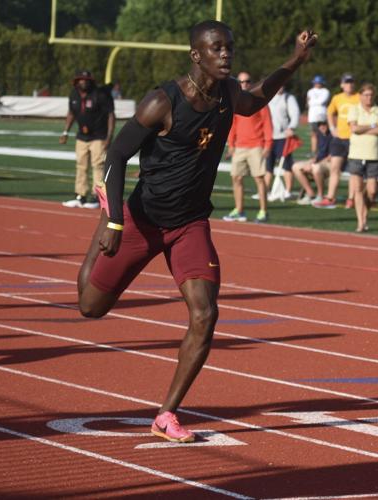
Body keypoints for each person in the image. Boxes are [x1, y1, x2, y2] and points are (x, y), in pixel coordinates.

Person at [75, 20, 317, 443]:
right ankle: (102, 212)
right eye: (217, 48)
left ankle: (166, 414)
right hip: (142, 218)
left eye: (230, 48)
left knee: (205, 314)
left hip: (190, 224)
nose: (227, 55)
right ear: (196, 55)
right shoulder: (162, 102)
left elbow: (255, 99)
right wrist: (113, 219)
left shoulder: (226, 93)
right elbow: (117, 152)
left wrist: (295, 61)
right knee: (90, 308)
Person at [60, 70, 116, 209]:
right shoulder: (74, 94)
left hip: (99, 136)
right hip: (82, 136)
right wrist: (65, 131)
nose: (83, 82)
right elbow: (71, 113)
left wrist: (109, 137)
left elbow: (111, 115)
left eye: (86, 79)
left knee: (97, 166)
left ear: (91, 81)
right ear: (76, 81)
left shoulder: (100, 94)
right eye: (81, 79)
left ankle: (97, 196)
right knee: (81, 165)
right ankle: (80, 195)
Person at [223, 71, 272, 223]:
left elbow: (267, 124)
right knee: (236, 177)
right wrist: (231, 145)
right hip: (239, 147)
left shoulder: (258, 101)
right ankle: (239, 210)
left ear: (251, 83)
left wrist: (268, 145)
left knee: (259, 179)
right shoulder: (236, 101)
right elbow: (232, 125)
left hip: (256, 145)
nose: (244, 84)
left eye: (247, 81)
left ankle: (263, 211)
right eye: (241, 82)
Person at [313, 73, 359, 209]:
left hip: (354, 139)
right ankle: (330, 197)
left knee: (353, 170)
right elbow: (329, 113)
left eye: (351, 82)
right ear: (342, 85)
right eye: (347, 82)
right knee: (335, 168)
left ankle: (351, 198)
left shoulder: (358, 98)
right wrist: (332, 128)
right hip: (339, 139)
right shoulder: (337, 98)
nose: (349, 85)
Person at [346, 83, 378, 233]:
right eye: (365, 95)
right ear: (360, 96)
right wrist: (371, 126)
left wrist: (363, 128)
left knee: (372, 191)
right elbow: (354, 129)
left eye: (371, 95)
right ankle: (361, 221)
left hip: (374, 155)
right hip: (356, 154)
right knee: (357, 189)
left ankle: (365, 213)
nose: (368, 98)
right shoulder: (354, 109)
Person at [266, 85, 300, 199]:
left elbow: (295, 114)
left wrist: (291, 127)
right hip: (269, 137)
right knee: (267, 166)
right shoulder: (268, 97)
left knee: (286, 165)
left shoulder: (288, 98)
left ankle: (288, 191)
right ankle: (265, 191)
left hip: (283, 137)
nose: (279, 87)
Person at [293, 120, 331, 205]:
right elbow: (318, 154)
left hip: (330, 164)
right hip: (319, 161)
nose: (322, 127)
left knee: (316, 168)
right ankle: (310, 193)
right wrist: (311, 161)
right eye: (320, 125)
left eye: (324, 124)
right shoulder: (319, 134)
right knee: (296, 166)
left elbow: (331, 156)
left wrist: (315, 164)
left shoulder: (333, 134)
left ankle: (320, 195)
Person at [306, 75, 330, 155]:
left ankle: (323, 151)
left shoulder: (325, 91)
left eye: (319, 82)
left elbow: (321, 101)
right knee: (313, 134)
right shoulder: (310, 91)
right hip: (312, 116)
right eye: (316, 82)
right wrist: (313, 102)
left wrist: (312, 102)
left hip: (322, 115)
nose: (317, 84)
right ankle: (314, 153)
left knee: (323, 134)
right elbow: (308, 103)